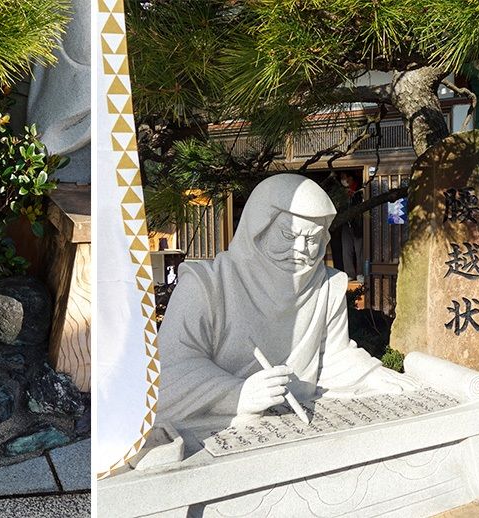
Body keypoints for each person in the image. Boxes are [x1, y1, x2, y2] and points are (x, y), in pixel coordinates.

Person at [156, 174, 417, 433]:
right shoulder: (207, 285)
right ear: (258, 229)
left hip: (301, 422)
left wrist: (369, 374)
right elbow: (169, 373)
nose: (301, 248)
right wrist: (237, 394)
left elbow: (331, 357)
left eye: (312, 239)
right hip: (230, 430)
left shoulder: (328, 286)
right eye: (288, 234)